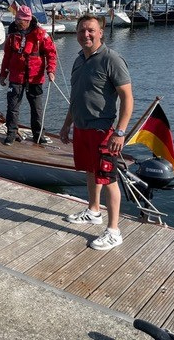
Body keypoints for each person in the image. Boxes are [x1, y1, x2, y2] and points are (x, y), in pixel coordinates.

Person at [59, 13, 133, 251]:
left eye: (91, 30)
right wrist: (67, 124)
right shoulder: (79, 59)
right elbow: (76, 97)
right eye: (81, 30)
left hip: (104, 130)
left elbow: (127, 98)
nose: (86, 34)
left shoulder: (112, 59)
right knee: (90, 170)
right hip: (82, 127)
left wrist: (120, 132)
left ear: (101, 32)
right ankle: (93, 211)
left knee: (108, 179)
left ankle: (114, 231)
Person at [0, 4, 57, 145]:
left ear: (28, 20)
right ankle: (11, 134)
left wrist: (50, 70)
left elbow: (51, 53)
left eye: (21, 20)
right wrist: (3, 74)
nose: (18, 22)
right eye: (17, 19)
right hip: (16, 76)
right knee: (12, 107)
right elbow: (7, 56)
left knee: (36, 109)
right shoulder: (12, 35)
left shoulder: (41, 34)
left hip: (35, 77)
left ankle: (38, 135)